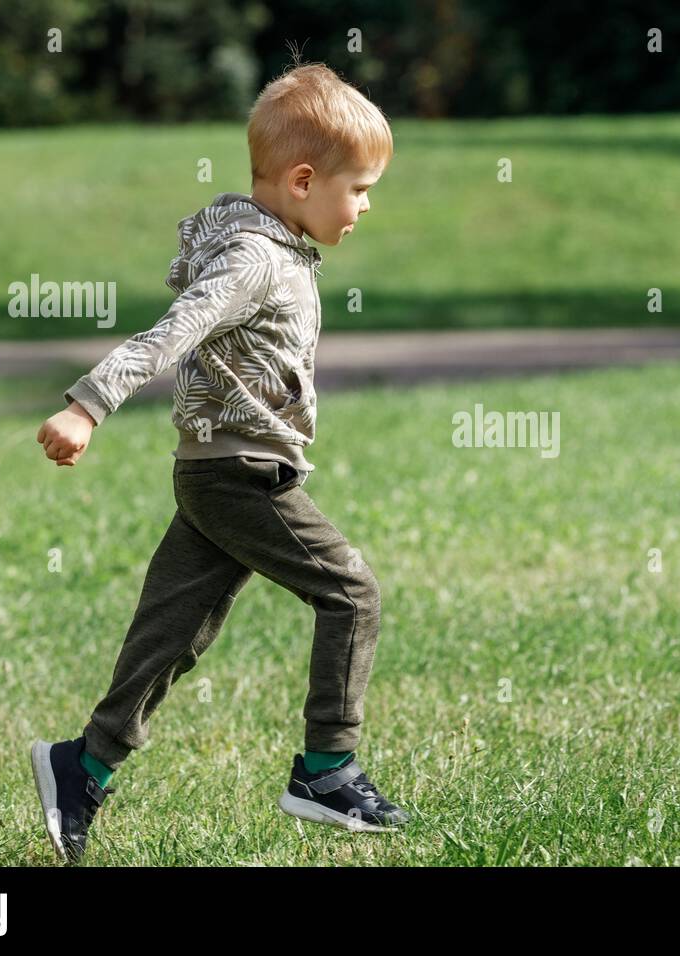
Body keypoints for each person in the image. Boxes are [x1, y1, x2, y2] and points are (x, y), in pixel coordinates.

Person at [30, 60, 407, 864]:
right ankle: (328, 770)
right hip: (238, 476)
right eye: (362, 188)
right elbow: (174, 330)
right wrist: (87, 404)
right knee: (351, 591)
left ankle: (82, 766)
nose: (368, 206)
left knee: (172, 633)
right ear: (304, 181)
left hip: (216, 472)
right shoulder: (254, 260)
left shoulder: (273, 247)